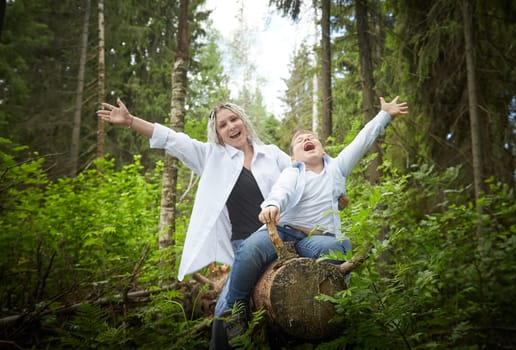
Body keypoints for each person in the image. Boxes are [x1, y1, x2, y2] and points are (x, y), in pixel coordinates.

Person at [97, 98, 292, 348]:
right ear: (218, 134)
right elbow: (172, 139)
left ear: (243, 121)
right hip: (243, 246)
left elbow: (302, 173)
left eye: (234, 119)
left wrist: (335, 191)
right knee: (227, 305)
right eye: (223, 125)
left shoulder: (273, 154)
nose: (231, 126)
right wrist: (130, 121)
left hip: (280, 239)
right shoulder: (212, 156)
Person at [221, 96, 409, 344]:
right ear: (294, 157)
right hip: (286, 231)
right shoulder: (292, 172)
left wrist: (384, 115)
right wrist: (272, 206)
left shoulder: (337, 169)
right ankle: (235, 311)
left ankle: (334, 312)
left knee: (337, 249)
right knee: (250, 248)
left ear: (323, 150)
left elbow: (362, 141)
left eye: (311, 138)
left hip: (315, 239)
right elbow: (281, 192)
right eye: (299, 141)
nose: (306, 140)